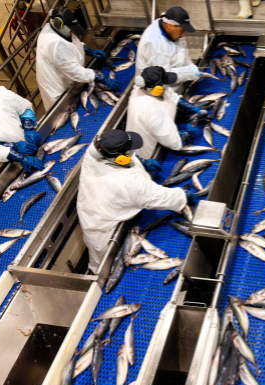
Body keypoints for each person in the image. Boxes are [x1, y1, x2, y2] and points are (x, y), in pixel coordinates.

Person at [77, 129, 196, 272]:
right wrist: (184, 195)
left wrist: (141, 161)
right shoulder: (128, 182)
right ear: (121, 159)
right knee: (111, 268)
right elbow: (161, 197)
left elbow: (122, 158)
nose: (132, 152)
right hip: (107, 232)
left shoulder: (96, 150)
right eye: (130, 151)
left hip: (98, 206)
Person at [36, 7, 117, 111]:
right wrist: (101, 78)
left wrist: (87, 50)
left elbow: (70, 42)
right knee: (65, 113)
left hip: (68, 80)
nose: (73, 32)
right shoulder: (54, 45)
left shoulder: (56, 30)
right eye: (71, 29)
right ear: (58, 23)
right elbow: (74, 71)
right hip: (58, 90)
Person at [126, 67, 198, 159]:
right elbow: (172, 141)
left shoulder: (144, 88)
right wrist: (188, 132)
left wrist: (189, 107)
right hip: (151, 152)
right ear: (156, 89)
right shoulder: (150, 108)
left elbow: (169, 94)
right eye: (163, 84)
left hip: (159, 134)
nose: (165, 86)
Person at [136, 7, 201, 95]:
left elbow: (183, 51)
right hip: (160, 93)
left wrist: (192, 67)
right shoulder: (155, 44)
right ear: (170, 25)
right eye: (182, 31)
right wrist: (189, 73)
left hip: (178, 84)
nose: (183, 35)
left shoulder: (168, 27)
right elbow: (165, 76)